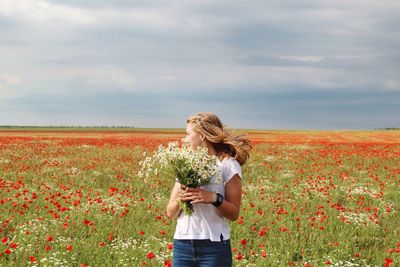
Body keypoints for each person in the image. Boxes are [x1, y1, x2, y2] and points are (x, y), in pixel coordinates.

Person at [166, 112, 252, 267]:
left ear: (202, 136)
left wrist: (214, 198)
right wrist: (182, 196)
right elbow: (170, 213)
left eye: (188, 134)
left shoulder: (228, 165)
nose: (185, 139)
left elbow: (234, 213)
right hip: (182, 244)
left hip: (214, 247)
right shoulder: (184, 164)